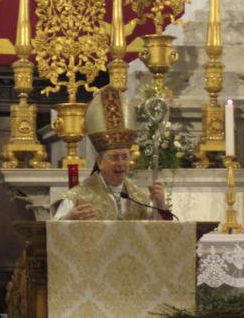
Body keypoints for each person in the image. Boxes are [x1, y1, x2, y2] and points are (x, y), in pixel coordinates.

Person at [52, 85, 170, 220]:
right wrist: (69, 218)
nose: (120, 163)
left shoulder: (139, 198)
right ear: (100, 162)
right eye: (114, 157)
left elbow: (156, 229)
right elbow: (54, 228)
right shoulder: (79, 196)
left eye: (125, 157)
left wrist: (160, 205)